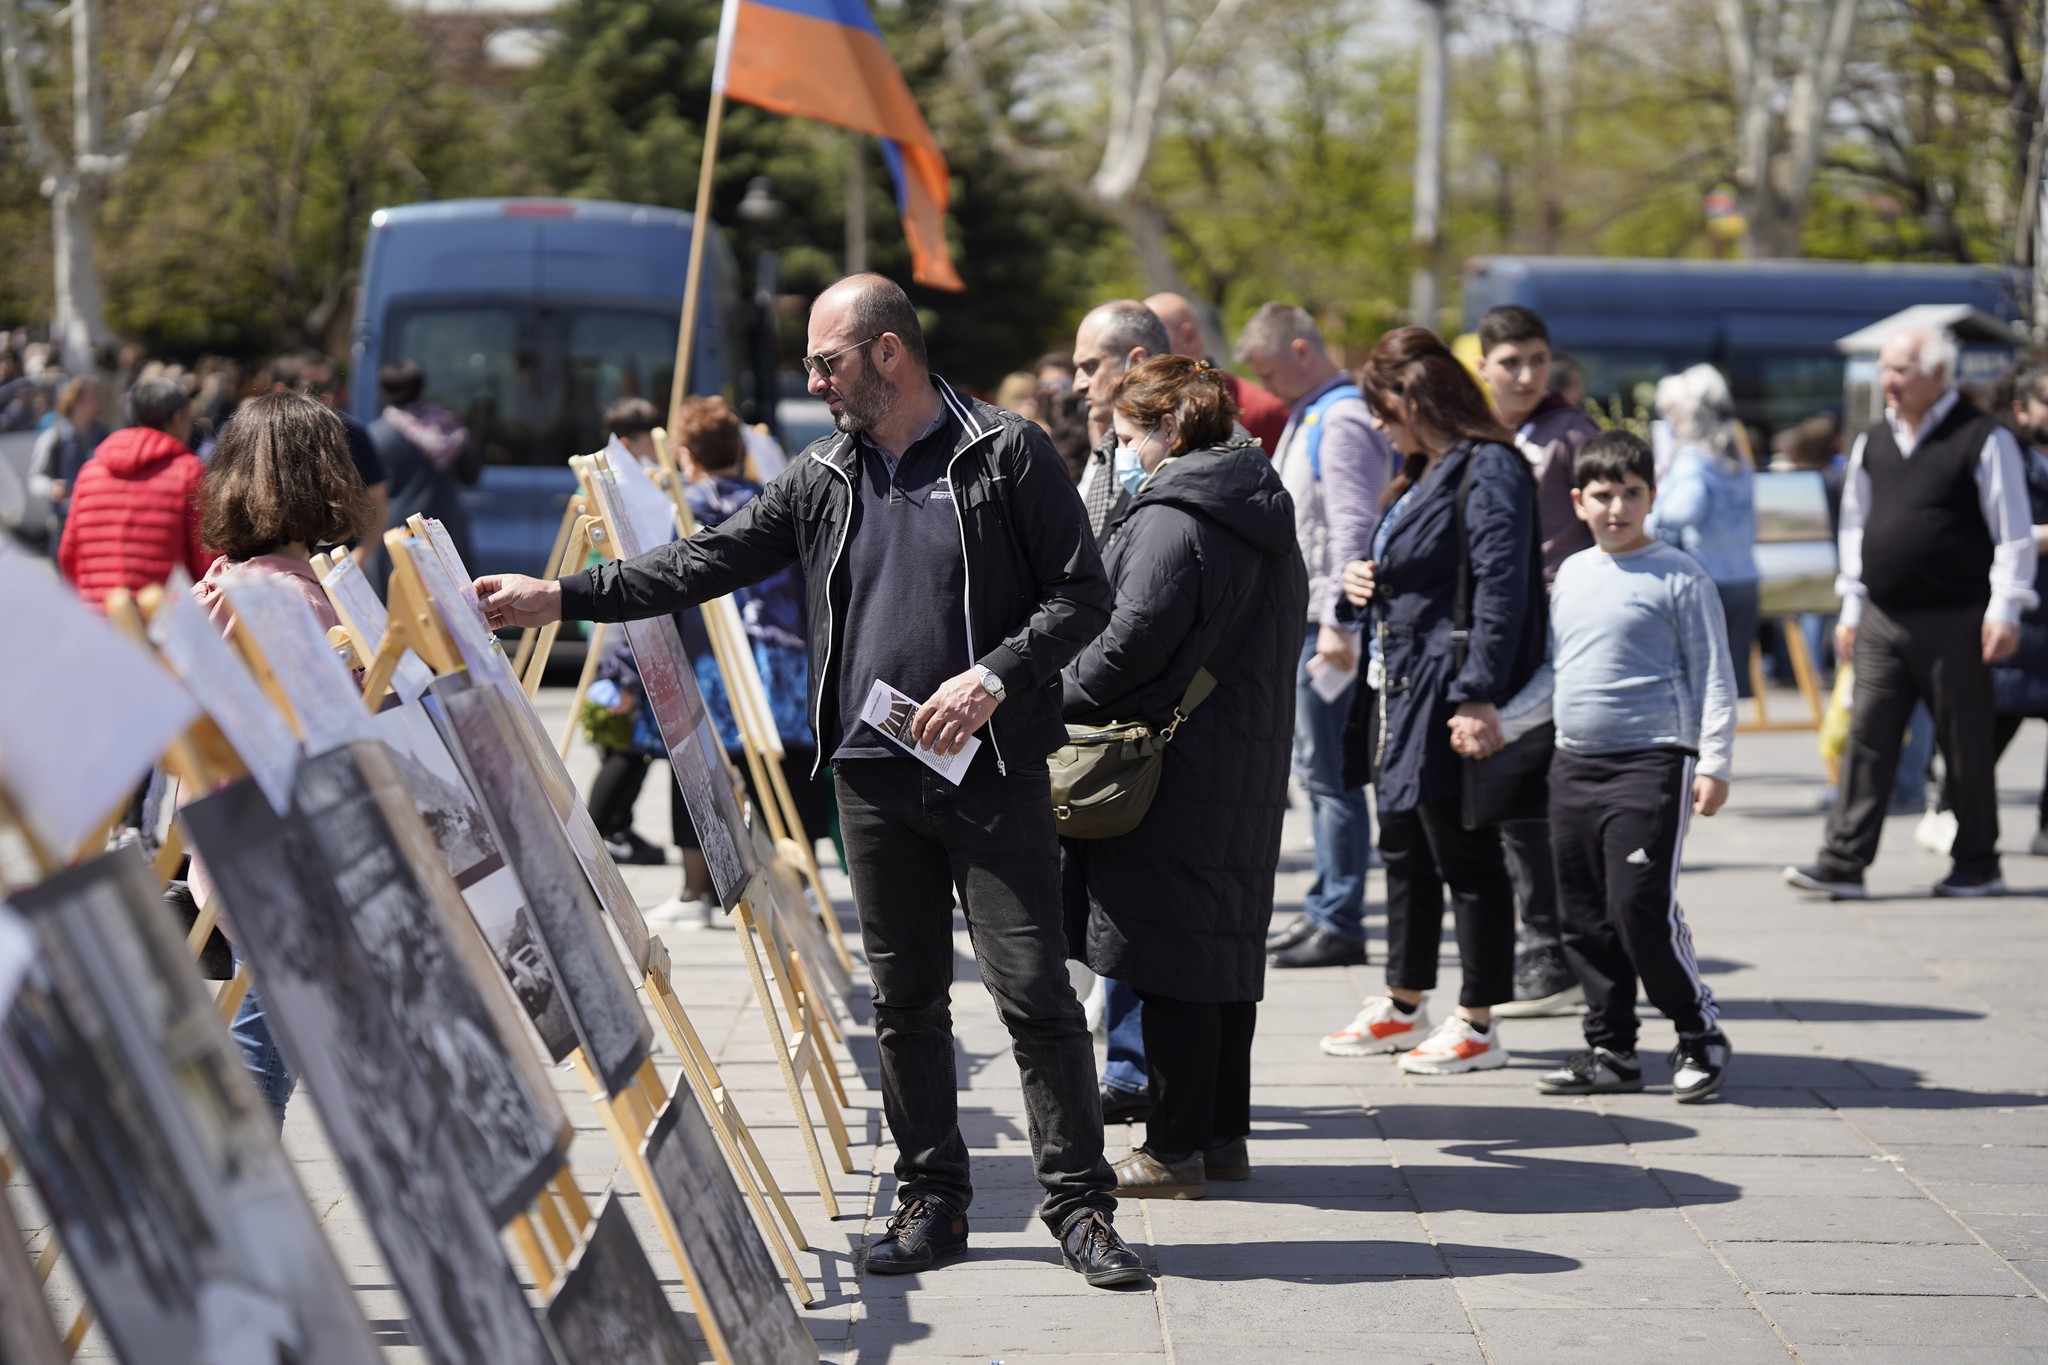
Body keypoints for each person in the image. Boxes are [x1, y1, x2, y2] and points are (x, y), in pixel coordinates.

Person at [473, 273, 1146, 1288]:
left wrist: (993, 677)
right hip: (872, 778)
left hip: (992, 770)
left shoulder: (1004, 450)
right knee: (905, 1002)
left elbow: (1081, 595)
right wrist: (559, 596)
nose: (813, 382)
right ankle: (932, 1199)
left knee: (1034, 995)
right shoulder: (823, 471)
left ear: (887, 353)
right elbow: (702, 562)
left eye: (826, 362)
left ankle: (1080, 1208)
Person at [1061, 356, 1307, 1197]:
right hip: (1241, 753)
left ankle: (1171, 1149)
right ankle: (1221, 1137)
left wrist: (1044, 691)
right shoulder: (1258, 500)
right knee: (1221, 948)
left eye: (1128, 437)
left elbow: (1126, 644)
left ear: (1169, 430)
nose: (1122, 454)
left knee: (1168, 955)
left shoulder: (1175, 515)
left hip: (1176, 759)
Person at [1484, 431, 1736, 1103]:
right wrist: (1500, 723)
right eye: (1603, 495)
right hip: (1573, 764)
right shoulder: (1571, 574)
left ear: (1652, 496)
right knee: (1583, 916)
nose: (1617, 507)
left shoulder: (1680, 575)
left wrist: (1715, 761)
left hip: (1653, 763)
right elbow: (1557, 672)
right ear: (1578, 501)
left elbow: (1715, 675)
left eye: (1631, 493)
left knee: (1637, 906)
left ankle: (1698, 1032)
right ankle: (1612, 1048)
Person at [1318, 327, 1544, 1073]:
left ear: (1414, 400)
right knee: (1405, 847)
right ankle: (1404, 1000)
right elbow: (1408, 569)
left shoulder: (1489, 465)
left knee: (1465, 852)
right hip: (1397, 686)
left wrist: (1478, 694)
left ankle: (1477, 1022)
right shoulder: (1425, 468)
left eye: (1381, 408)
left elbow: (1501, 588)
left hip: (1445, 689)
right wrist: (1359, 582)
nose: (1375, 423)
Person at [1785, 325, 2037, 900]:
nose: (1889, 380)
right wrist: (1852, 605)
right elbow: (1855, 526)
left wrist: (2006, 608)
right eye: (1886, 368)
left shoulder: (1983, 437)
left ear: (1939, 374)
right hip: (1883, 616)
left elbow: (2013, 532)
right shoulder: (1874, 441)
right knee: (1867, 736)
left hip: (1958, 616)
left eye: (1901, 369)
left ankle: (1977, 863)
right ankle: (1843, 862)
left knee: (1965, 742)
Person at [190, 390, 376, 1124]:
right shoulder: (293, 600)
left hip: (232, 838)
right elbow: (329, 738)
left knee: (261, 1038)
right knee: (261, 1058)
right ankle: (234, 1185)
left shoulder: (225, 582)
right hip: (287, 858)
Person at [1234, 303, 1392, 970]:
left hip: (1323, 629)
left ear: (1301, 350)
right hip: (1307, 623)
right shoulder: (1314, 414)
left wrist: (1339, 623)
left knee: (1330, 776)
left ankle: (1340, 917)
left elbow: (1354, 528)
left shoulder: (1342, 418)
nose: (1267, 388)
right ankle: (1328, 906)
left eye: (1270, 372)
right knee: (1316, 772)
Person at [1473, 304, 1601, 1019]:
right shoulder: (1481, 432)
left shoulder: (1571, 434)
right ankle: (1539, 940)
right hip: (1500, 630)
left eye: (1538, 361)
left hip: (1560, 633)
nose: (1526, 376)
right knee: (1505, 792)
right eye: (1511, 362)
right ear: (1483, 366)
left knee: (1535, 794)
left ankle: (1552, 947)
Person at [58, 378, 215, 608]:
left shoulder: (90, 471)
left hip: (97, 616)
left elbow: (68, 556)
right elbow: (207, 560)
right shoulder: (189, 472)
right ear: (177, 419)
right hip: (163, 618)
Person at [1652, 364, 1760, 690]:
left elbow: (1684, 509)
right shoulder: (1736, 457)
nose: (1670, 420)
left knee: (1702, 685)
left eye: (1673, 412)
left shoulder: (1693, 458)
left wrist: (1647, 518)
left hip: (1709, 580)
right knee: (1728, 687)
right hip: (1744, 579)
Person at [268, 349, 389, 568]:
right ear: (280, 390)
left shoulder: (352, 433)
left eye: (330, 386)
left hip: (340, 568)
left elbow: (377, 502)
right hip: (277, 570)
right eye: (313, 388)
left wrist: (361, 555)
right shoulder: (259, 437)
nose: (326, 396)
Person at [1072, 301, 1171, 540]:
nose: (1078, 385)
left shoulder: (1203, 443)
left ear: (1137, 362)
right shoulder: (1109, 444)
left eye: (1091, 366)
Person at [1145, 292, 1290, 455]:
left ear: (1188, 337)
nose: (1142, 352)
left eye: (1153, 338)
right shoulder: (1142, 408)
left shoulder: (1261, 409)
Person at [371, 359, 480, 574]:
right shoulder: (450, 427)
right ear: (420, 388)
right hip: (445, 532)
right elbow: (471, 476)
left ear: (383, 391)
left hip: (398, 538)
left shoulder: (376, 435)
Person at [26, 375, 107, 546]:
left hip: (98, 520)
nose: (98, 401)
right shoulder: (54, 436)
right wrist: (51, 488)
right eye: (92, 396)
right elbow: (35, 477)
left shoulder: (104, 436)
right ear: (76, 401)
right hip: (65, 523)